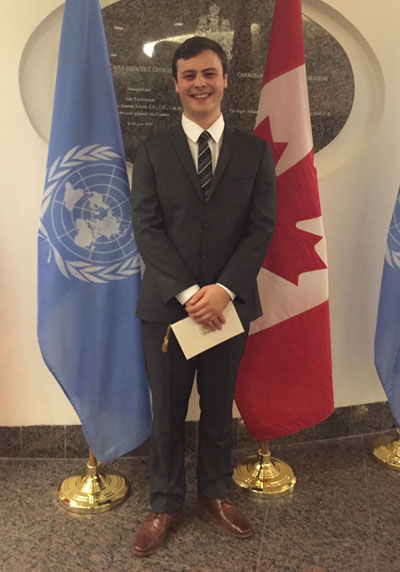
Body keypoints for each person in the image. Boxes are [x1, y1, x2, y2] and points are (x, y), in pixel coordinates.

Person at [131, 36, 276, 557]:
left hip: (229, 308)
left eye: (209, 73)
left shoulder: (255, 152)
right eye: (189, 75)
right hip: (168, 311)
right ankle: (165, 502)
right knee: (167, 411)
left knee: (218, 406)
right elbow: (146, 230)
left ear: (225, 81)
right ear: (176, 84)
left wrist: (224, 290)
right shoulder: (150, 152)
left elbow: (261, 229)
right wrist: (193, 293)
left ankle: (216, 493)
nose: (199, 83)